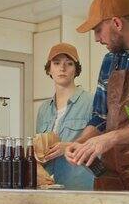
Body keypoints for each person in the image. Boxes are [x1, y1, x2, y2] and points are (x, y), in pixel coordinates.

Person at [65, 0, 129, 191]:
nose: (97, 39)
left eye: (98, 30)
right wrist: (80, 143)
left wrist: (113, 137)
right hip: (110, 173)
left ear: (117, 23)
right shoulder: (109, 61)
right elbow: (100, 117)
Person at [36, 43, 94, 190]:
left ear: (76, 70)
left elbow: (100, 145)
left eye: (69, 64)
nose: (62, 68)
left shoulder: (92, 102)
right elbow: (39, 147)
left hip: (81, 187)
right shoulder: (43, 109)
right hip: (49, 188)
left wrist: (68, 147)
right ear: (49, 69)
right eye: (56, 63)